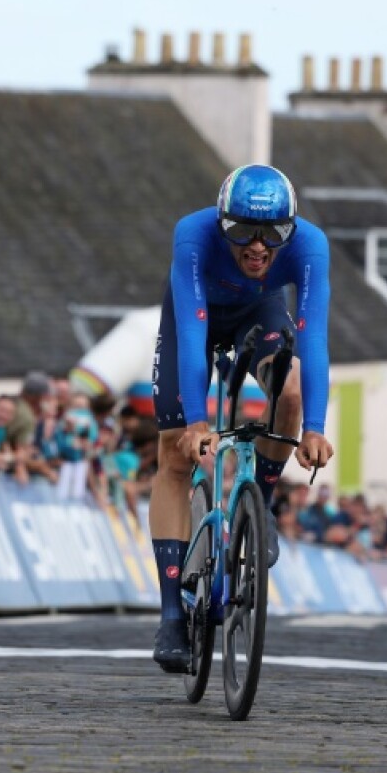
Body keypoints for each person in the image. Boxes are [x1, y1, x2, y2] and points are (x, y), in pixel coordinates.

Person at [148, 164, 335, 673]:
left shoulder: (311, 246)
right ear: (221, 221)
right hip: (197, 319)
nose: (257, 248)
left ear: (290, 229)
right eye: (241, 233)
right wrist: (195, 423)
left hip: (259, 314)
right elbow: (191, 332)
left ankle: (261, 509)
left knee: (289, 391)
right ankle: (170, 615)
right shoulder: (193, 233)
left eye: (273, 235)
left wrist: (314, 426)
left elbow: (312, 335)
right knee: (173, 453)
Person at [56, 393, 98, 501]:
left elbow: (93, 440)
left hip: (81, 462)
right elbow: (58, 441)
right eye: (77, 405)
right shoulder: (63, 423)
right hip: (63, 462)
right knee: (62, 493)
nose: (80, 409)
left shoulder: (91, 422)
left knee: (77, 493)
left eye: (83, 406)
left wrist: (87, 444)